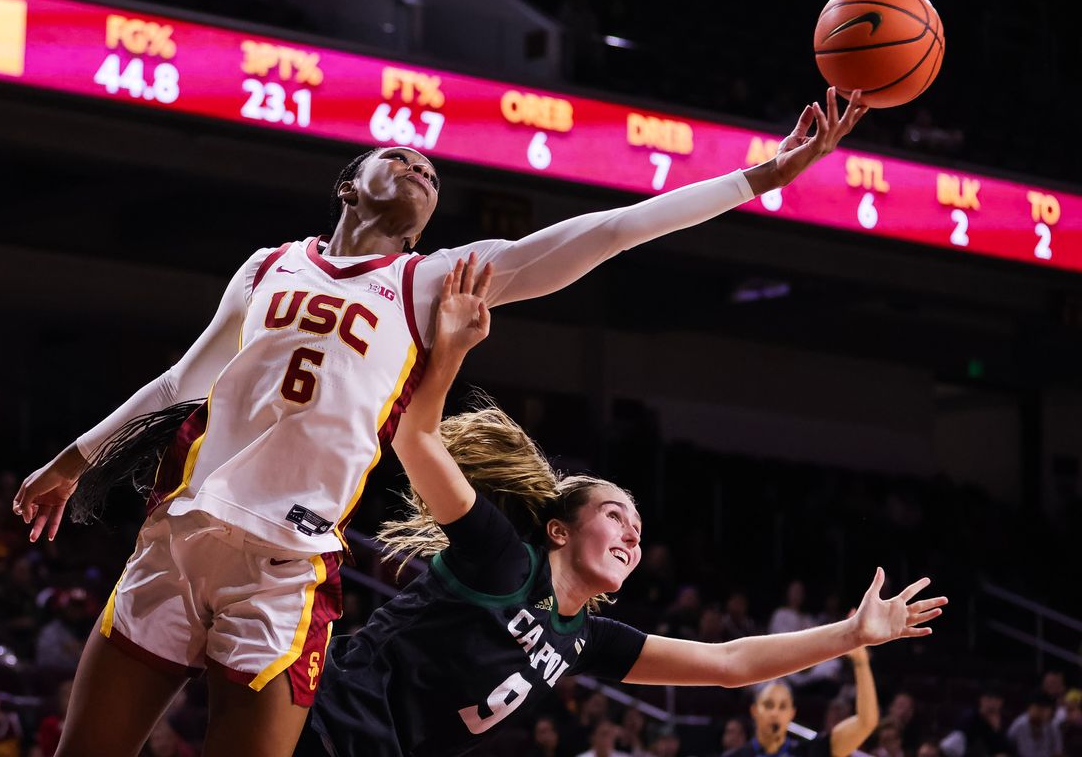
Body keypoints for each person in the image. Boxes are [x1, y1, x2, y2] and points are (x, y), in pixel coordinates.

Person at [14, 89, 869, 756]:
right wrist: (72, 461)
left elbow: (609, 231)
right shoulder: (267, 264)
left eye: (434, 172)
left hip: (284, 566)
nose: (425, 169)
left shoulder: (434, 284)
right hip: (181, 533)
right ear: (349, 183)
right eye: (402, 157)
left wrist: (758, 177)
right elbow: (182, 379)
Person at [298, 260, 943, 756]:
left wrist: (851, 636)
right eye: (614, 515)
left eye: (637, 528)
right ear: (558, 530)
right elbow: (415, 437)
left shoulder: (584, 638)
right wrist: (452, 350)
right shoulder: (501, 560)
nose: (632, 533)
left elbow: (728, 664)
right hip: (323, 724)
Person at [727, 642, 879, 757]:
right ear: (754, 711)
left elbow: (866, 722)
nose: (775, 713)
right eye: (768, 705)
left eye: (782, 706)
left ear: (792, 713)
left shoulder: (810, 751)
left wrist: (861, 661)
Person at [1007, 693, 1063, 757]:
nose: (1042, 713)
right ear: (1029, 708)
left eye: (1045, 710)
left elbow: (1057, 753)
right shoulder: (1019, 726)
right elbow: (1008, 750)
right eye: (1039, 709)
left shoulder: (1053, 726)